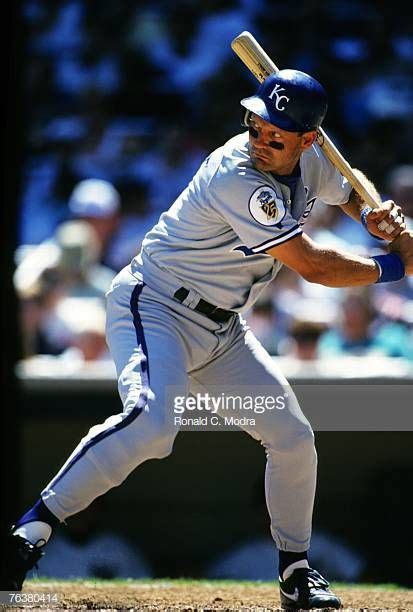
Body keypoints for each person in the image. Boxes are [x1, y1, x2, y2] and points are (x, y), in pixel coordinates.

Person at [4, 68, 413, 609]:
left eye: (277, 134)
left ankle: (296, 572)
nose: (262, 140)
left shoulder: (314, 157)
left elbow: (346, 183)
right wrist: (394, 265)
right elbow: (313, 266)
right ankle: (28, 533)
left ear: (309, 138)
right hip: (156, 306)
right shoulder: (236, 173)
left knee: (293, 438)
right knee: (154, 423)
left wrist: (373, 213)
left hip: (222, 329)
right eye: (256, 125)